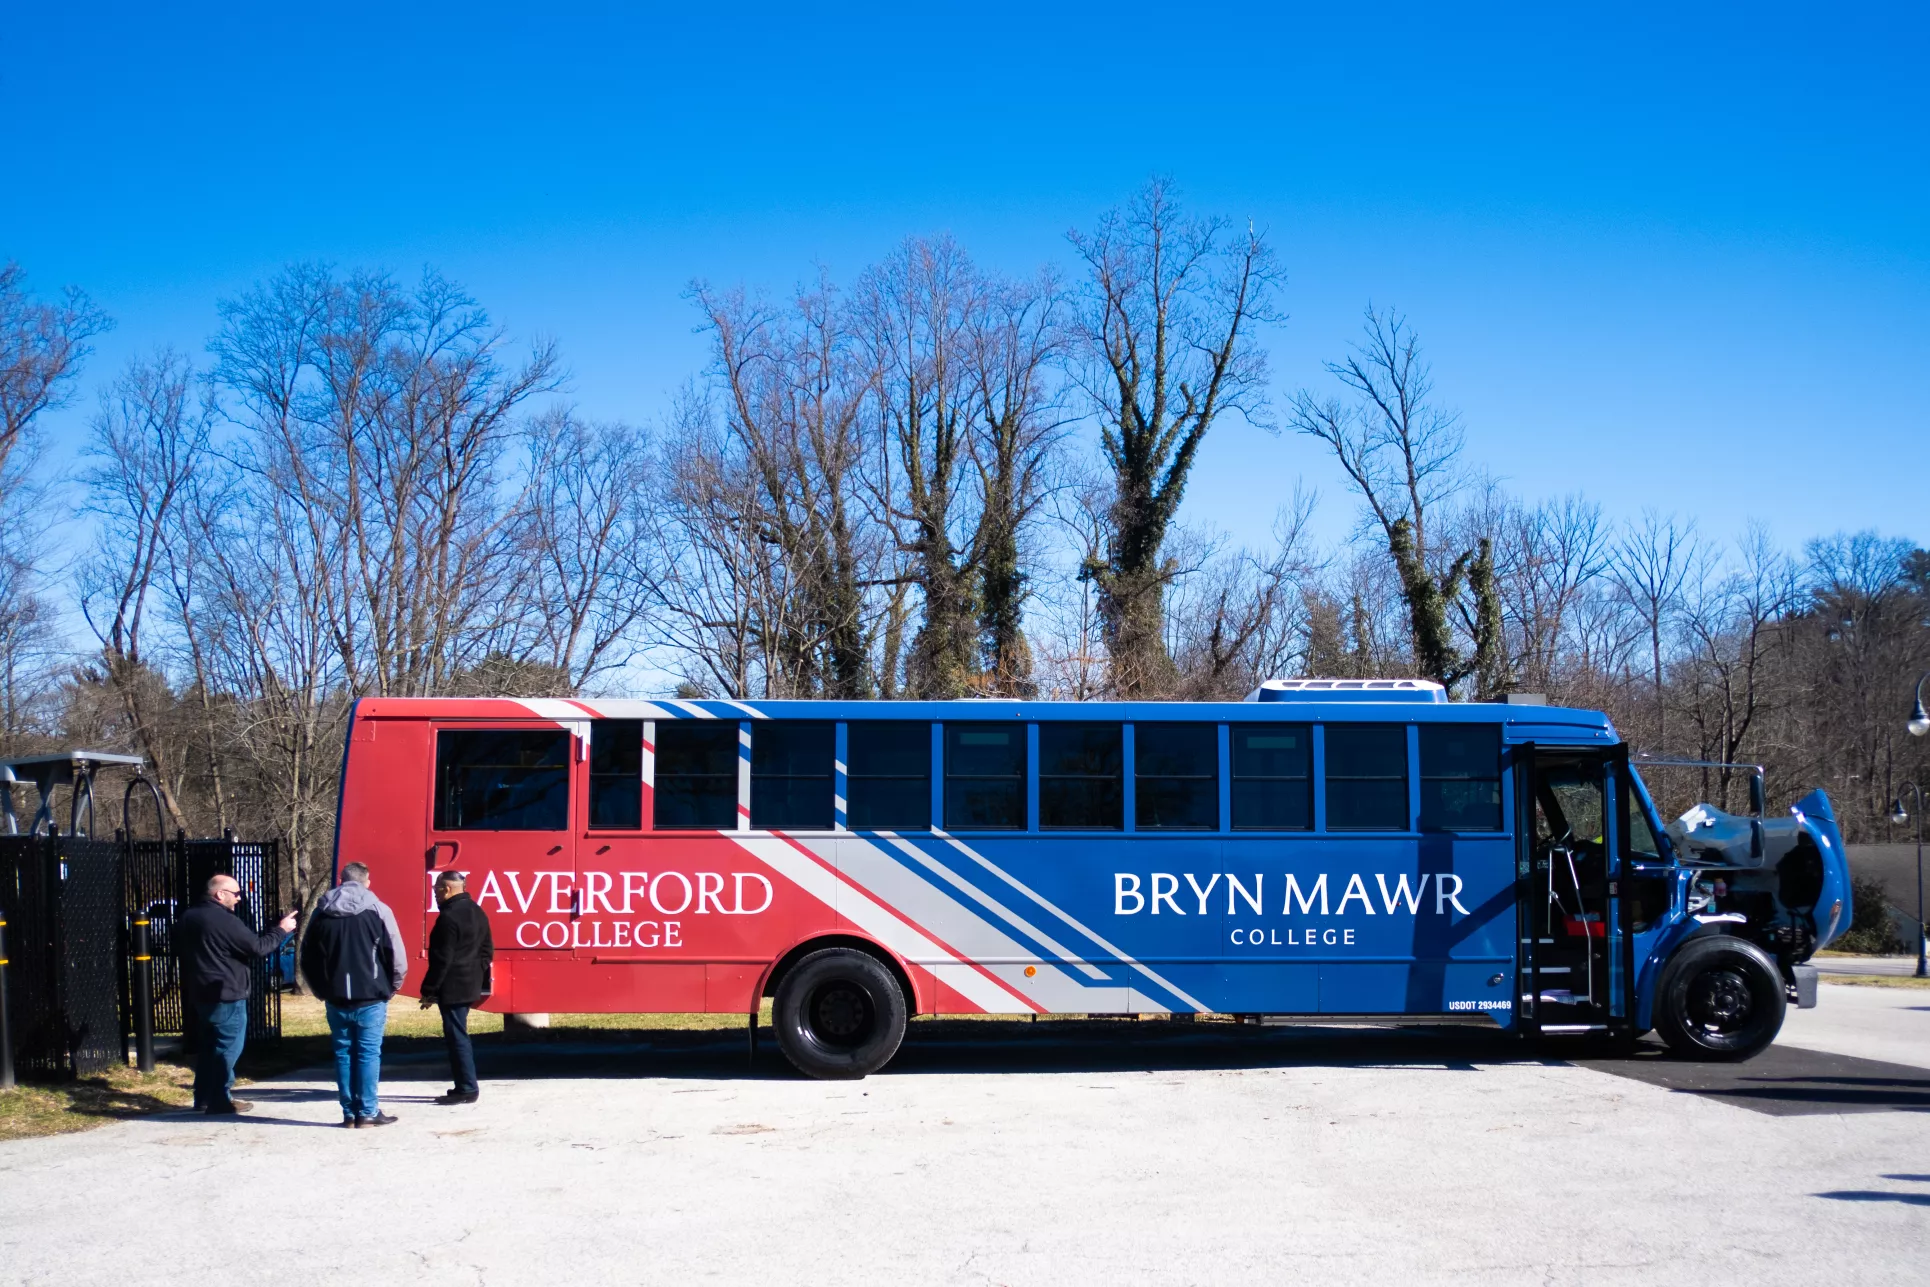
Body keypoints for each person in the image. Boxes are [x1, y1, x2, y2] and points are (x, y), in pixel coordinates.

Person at [174, 873, 297, 1115]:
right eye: (236, 893)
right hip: (227, 992)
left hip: (200, 992)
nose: (240, 898)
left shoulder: (189, 917)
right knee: (228, 1047)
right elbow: (258, 947)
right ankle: (220, 1098)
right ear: (220, 894)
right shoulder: (224, 919)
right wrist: (281, 930)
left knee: (209, 1047)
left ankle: (203, 1097)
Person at [300, 862, 407, 1128]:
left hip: (335, 995)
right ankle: (368, 1111)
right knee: (368, 1054)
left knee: (343, 1054)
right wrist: (394, 985)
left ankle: (349, 1113)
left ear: (340, 880)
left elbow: (307, 957)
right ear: (367, 881)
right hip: (371, 995)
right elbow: (395, 954)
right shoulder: (379, 910)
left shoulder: (321, 913)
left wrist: (319, 989)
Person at [419, 869, 494, 1105]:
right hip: (470, 984)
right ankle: (464, 1085)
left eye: (436, 890)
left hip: (452, 987)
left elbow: (442, 959)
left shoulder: (448, 917)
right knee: (458, 1033)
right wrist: (475, 973)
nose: (434, 894)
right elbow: (487, 951)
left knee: (456, 1037)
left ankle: (467, 1088)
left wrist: (429, 990)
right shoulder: (478, 911)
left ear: (447, 889)